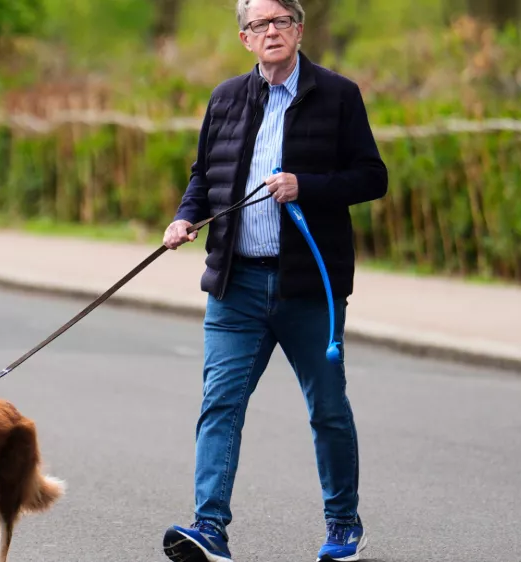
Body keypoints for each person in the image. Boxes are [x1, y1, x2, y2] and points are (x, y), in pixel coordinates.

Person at [159, 1, 388, 561]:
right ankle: (208, 528)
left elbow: (372, 177)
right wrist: (185, 217)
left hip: (310, 288)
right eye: (259, 25)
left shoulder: (338, 95)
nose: (271, 32)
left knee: (327, 409)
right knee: (220, 405)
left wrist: (304, 185)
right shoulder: (226, 98)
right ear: (245, 39)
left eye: (281, 21)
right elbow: (203, 175)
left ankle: (343, 524)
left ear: (299, 29)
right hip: (235, 286)